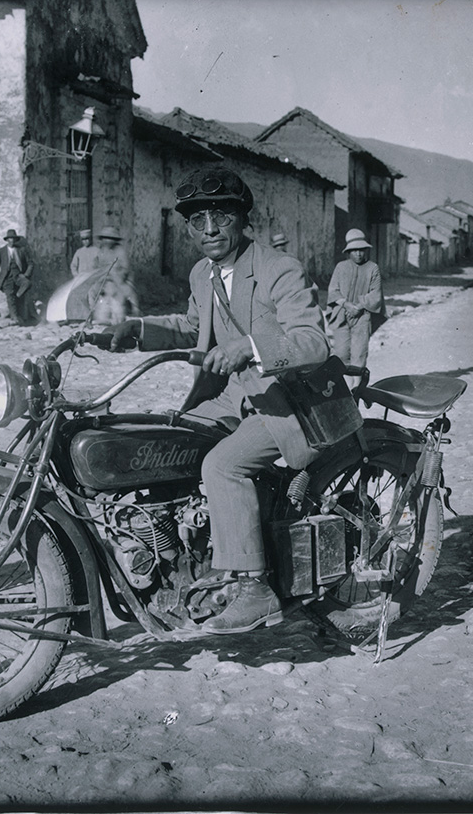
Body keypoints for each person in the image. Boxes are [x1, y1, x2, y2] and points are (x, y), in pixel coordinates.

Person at [99, 167, 330, 634]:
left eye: (220, 217)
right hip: (229, 396)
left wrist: (250, 347)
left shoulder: (277, 268)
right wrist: (137, 331)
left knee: (222, 466)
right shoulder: (202, 275)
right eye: (196, 220)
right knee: (160, 442)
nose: (208, 230)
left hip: (286, 399)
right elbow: (193, 327)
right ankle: (179, 556)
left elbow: (313, 342)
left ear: (243, 219)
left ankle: (255, 587)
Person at [326, 228, 386, 380]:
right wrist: (347, 305)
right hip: (341, 315)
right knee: (341, 354)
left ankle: (356, 390)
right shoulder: (341, 267)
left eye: (361, 250)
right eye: (354, 250)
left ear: (366, 250)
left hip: (362, 316)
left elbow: (376, 293)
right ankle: (345, 387)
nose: (358, 254)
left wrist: (358, 306)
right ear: (348, 252)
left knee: (359, 354)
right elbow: (333, 290)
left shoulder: (373, 268)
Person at [95, 226, 140, 317]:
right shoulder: (101, 252)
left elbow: (125, 268)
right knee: (97, 296)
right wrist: (103, 273)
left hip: (120, 279)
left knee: (125, 295)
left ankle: (134, 309)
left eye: (110, 238)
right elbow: (98, 266)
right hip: (106, 280)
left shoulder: (120, 251)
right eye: (105, 238)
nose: (107, 241)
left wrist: (116, 273)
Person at [0, 228, 34, 325]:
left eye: (13, 239)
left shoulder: (21, 250)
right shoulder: (1, 251)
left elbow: (30, 263)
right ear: (7, 240)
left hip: (18, 275)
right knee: (10, 297)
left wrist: (26, 275)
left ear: (15, 240)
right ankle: (15, 318)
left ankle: (18, 294)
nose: (12, 241)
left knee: (27, 283)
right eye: (10, 239)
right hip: (6, 278)